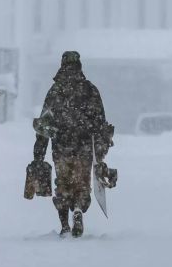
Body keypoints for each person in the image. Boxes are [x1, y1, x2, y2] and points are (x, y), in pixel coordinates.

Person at [32, 51, 114, 238]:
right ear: (79, 66)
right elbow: (101, 121)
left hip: (61, 146)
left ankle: (64, 225)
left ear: (62, 65)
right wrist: (100, 151)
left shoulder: (55, 91)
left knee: (63, 183)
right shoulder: (90, 90)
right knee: (81, 183)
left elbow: (44, 125)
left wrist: (39, 155)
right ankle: (78, 208)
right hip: (84, 146)